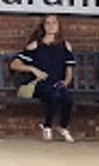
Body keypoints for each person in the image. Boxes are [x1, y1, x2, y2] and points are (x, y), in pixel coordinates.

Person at [10, 14, 76, 142]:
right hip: (40, 84)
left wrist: (67, 81)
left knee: (67, 98)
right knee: (54, 95)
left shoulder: (65, 46)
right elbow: (14, 64)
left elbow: (69, 68)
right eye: (48, 23)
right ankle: (47, 126)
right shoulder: (35, 45)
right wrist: (33, 69)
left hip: (57, 83)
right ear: (43, 26)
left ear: (59, 26)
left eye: (54, 23)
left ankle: (62, 126)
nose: (51, 26)